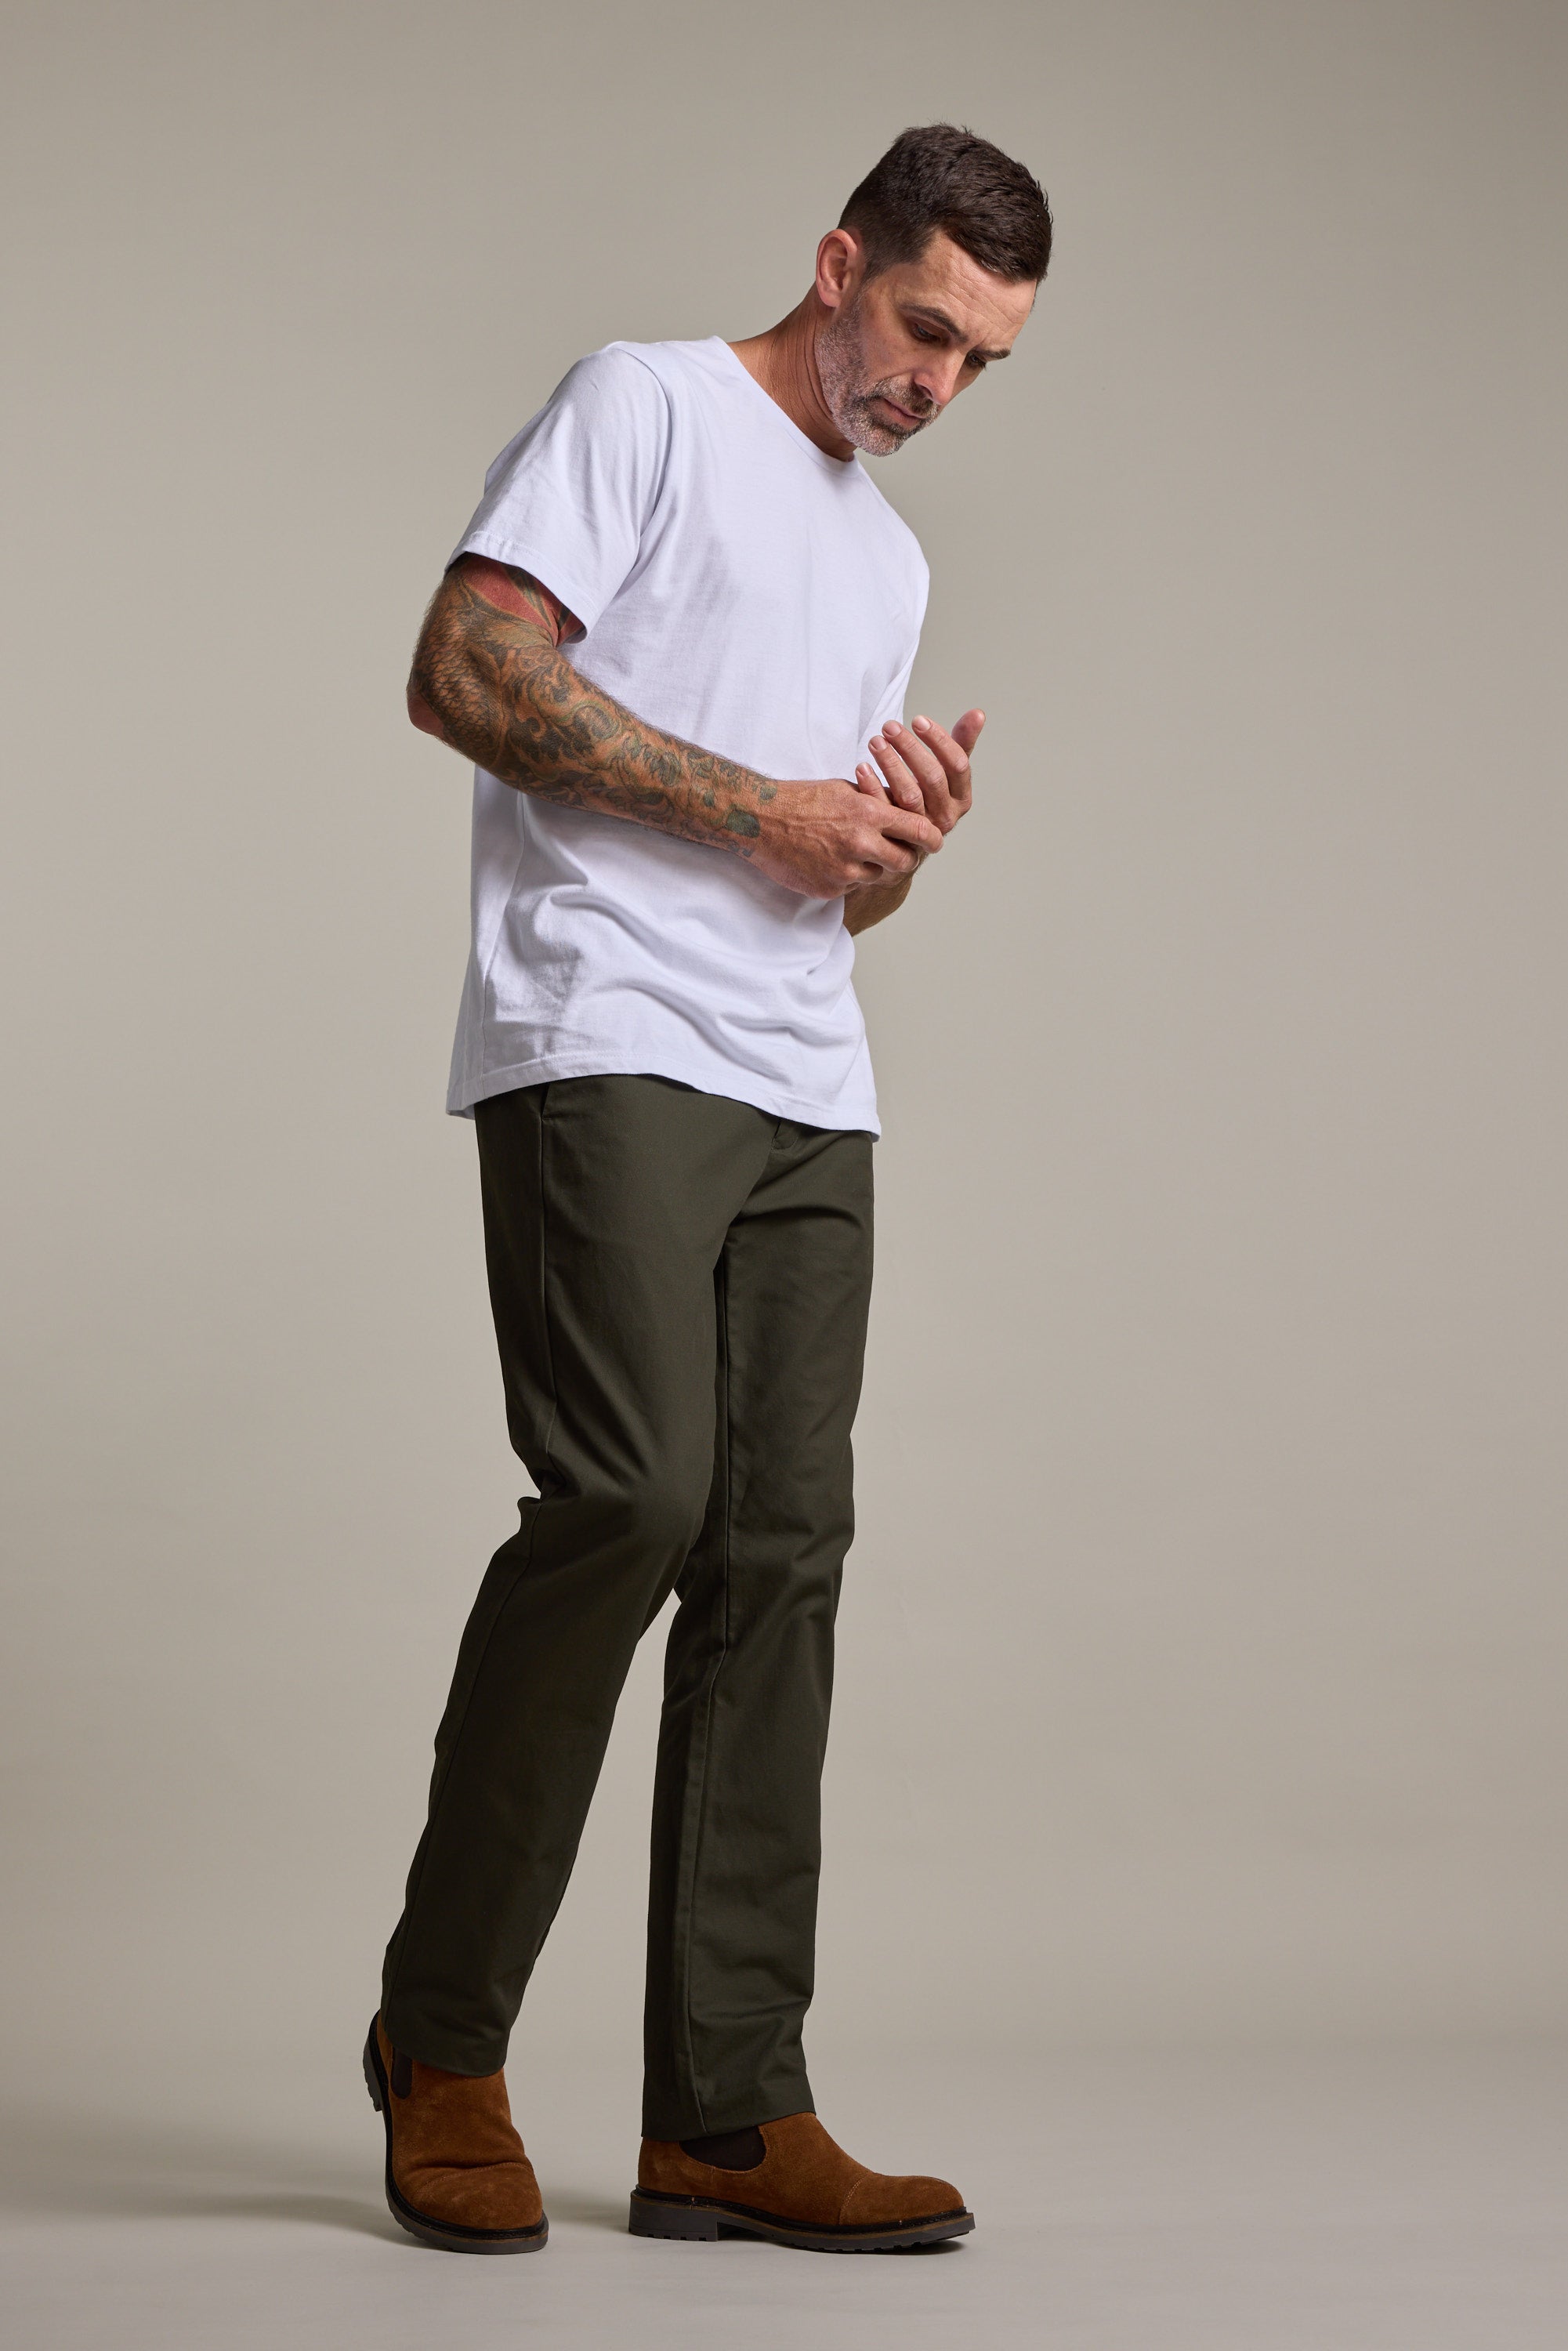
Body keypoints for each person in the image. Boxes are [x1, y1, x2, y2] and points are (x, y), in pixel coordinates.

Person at [364, 121, 1051, 2257]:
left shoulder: (888, 557)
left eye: (983, 362)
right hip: (604, 1033)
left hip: (797, 1073)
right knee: (633, 1499)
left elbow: (814, 896)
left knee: (781, 1549)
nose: (934, 383)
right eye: (923, 323)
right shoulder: (642, 400)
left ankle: (728, 2113)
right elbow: (463, 670)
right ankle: (443, 2041)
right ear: (839, 260)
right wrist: (764, 806)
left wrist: (878, 853)